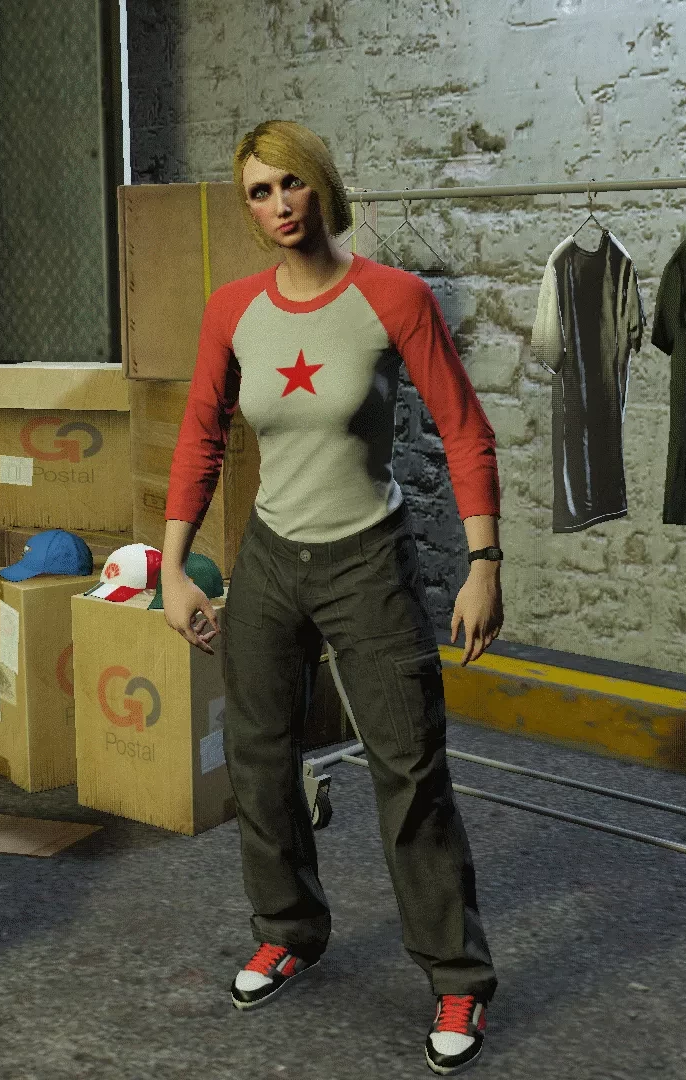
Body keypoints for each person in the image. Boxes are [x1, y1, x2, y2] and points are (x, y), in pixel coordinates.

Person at [157, 119, 505, 1076]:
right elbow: (200, 437)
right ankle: (288, 930)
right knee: (259, 757)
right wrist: (173, 567)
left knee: (410, 770)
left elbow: (465, 430)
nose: (279, 206)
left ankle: (458, 978)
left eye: (292, 184)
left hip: (368, 560)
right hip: (271, 558)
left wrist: (484, 563)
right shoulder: (232, 309)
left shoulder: (394, 297)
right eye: (259, 192)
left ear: (323, 185)